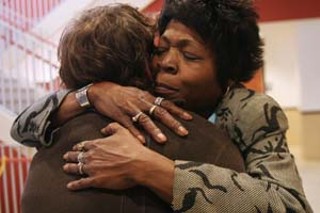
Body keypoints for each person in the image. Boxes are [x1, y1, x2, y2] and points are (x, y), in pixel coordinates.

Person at [11, 0, 312, 212]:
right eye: (162, 48)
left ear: (227, 75)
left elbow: (290, 206)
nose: (167, 64)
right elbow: (21, 128)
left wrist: (148, 167)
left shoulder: (250, 112)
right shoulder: (122, 96)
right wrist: (91, 93)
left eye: (190, 56)